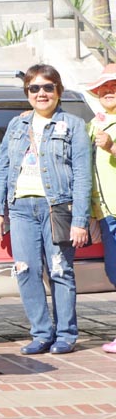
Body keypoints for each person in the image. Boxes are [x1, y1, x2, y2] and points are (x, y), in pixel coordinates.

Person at [0, 63, 91, 355]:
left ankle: (66, 334)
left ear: (58, 91)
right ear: (27, 93)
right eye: (35, 88)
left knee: (60, 270)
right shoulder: (17, 125)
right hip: (21, 208)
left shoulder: (73, 125)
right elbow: (2, 169)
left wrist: (80, 221)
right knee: (25, 270)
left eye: (48, 87)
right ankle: (41, 333)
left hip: (56, 208)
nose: (41, 93)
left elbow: (83, 175)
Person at [86, 63, 116, 353]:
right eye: (103, 87)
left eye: (114, 86)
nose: (108, 91)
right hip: (105, 212)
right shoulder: (95, 123)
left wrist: (111, 148)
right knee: (114, 271)